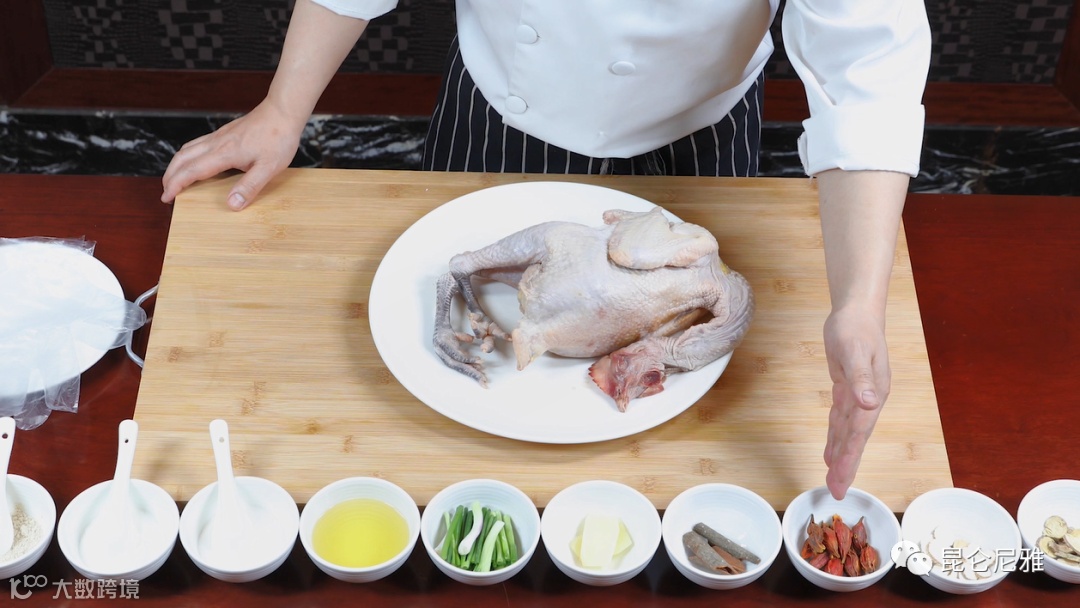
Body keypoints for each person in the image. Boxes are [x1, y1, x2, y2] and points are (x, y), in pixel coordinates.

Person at [161, 0, 932, 501]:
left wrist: (859, 304)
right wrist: (283, 105)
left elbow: (868, 59)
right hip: (493, 115)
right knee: (454, 431)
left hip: (696, 139)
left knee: (660, 459)